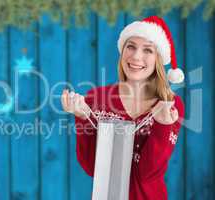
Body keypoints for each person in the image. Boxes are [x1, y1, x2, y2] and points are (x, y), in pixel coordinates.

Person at [61, 16, 185, 200]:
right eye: (131, 46)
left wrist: (162, 126)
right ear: (122, 51)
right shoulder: (96, 98)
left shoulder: (169, 105)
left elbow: (146, 174)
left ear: (158, 59)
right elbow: (90, 167)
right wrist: (81, 116)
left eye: (148, 50)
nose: (136, 56)